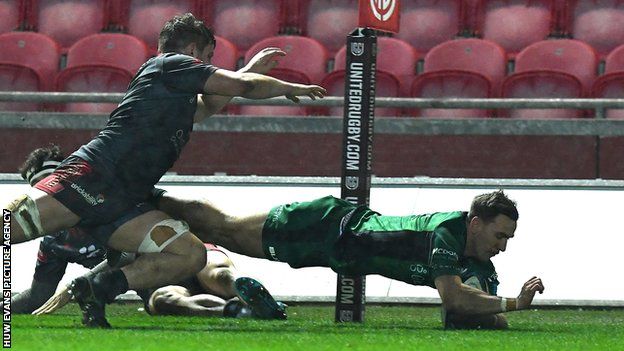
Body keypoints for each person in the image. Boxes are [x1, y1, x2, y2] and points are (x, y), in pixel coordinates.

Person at [3, 13, 323, 328]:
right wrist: (287, 86)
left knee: (190, 254)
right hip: (89, 178)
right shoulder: (170, 64)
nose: (207, 64)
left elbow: (208, 105)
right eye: (208, 57)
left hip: (124, 201)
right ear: (194, 50)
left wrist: (250, 71)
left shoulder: (172, 90)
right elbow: (242, 86)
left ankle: (100, 288)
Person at [150, 189, 545, 330]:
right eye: (499, 236)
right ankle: (149, 199)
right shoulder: (448, 232)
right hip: (329, 224)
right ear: (476, 224)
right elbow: (456, 302)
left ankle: (150, 209)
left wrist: (497, 310)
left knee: (226, 236)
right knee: (225, 229)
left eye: (508, 239)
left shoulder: (478, 267)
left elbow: (469, 316)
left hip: (331, 250)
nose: (503, 247)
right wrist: (513, 303)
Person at [13, 145, 283, 319]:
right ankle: (241, 308)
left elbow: (126, 255)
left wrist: (82, 283)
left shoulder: (110, 201)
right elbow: (38, 295)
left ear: (71, 183)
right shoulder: (54, 242)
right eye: (40, 194)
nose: (49, 200)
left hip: (181, 254)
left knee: (198, 279)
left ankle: (240, 295)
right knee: (171, 297)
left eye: (53, 188)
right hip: (165, 274)